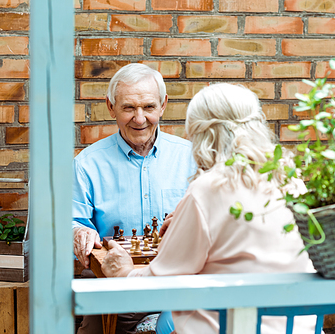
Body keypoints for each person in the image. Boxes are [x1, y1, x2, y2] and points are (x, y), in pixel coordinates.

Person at [101, 83, 316, 334]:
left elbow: (157, 288)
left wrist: (124, 273)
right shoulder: (291, 183)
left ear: (204, 136)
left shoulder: (210, 189)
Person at [73, 63, 196, 334]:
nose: (139, 119)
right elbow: (73, 222)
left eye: (149, 107)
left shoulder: (192, 158)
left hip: (178, 294)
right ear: (111, 106)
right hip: (113, 296)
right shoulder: (87, 165)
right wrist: (78, 232)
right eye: (128, 108)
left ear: (163, 105)